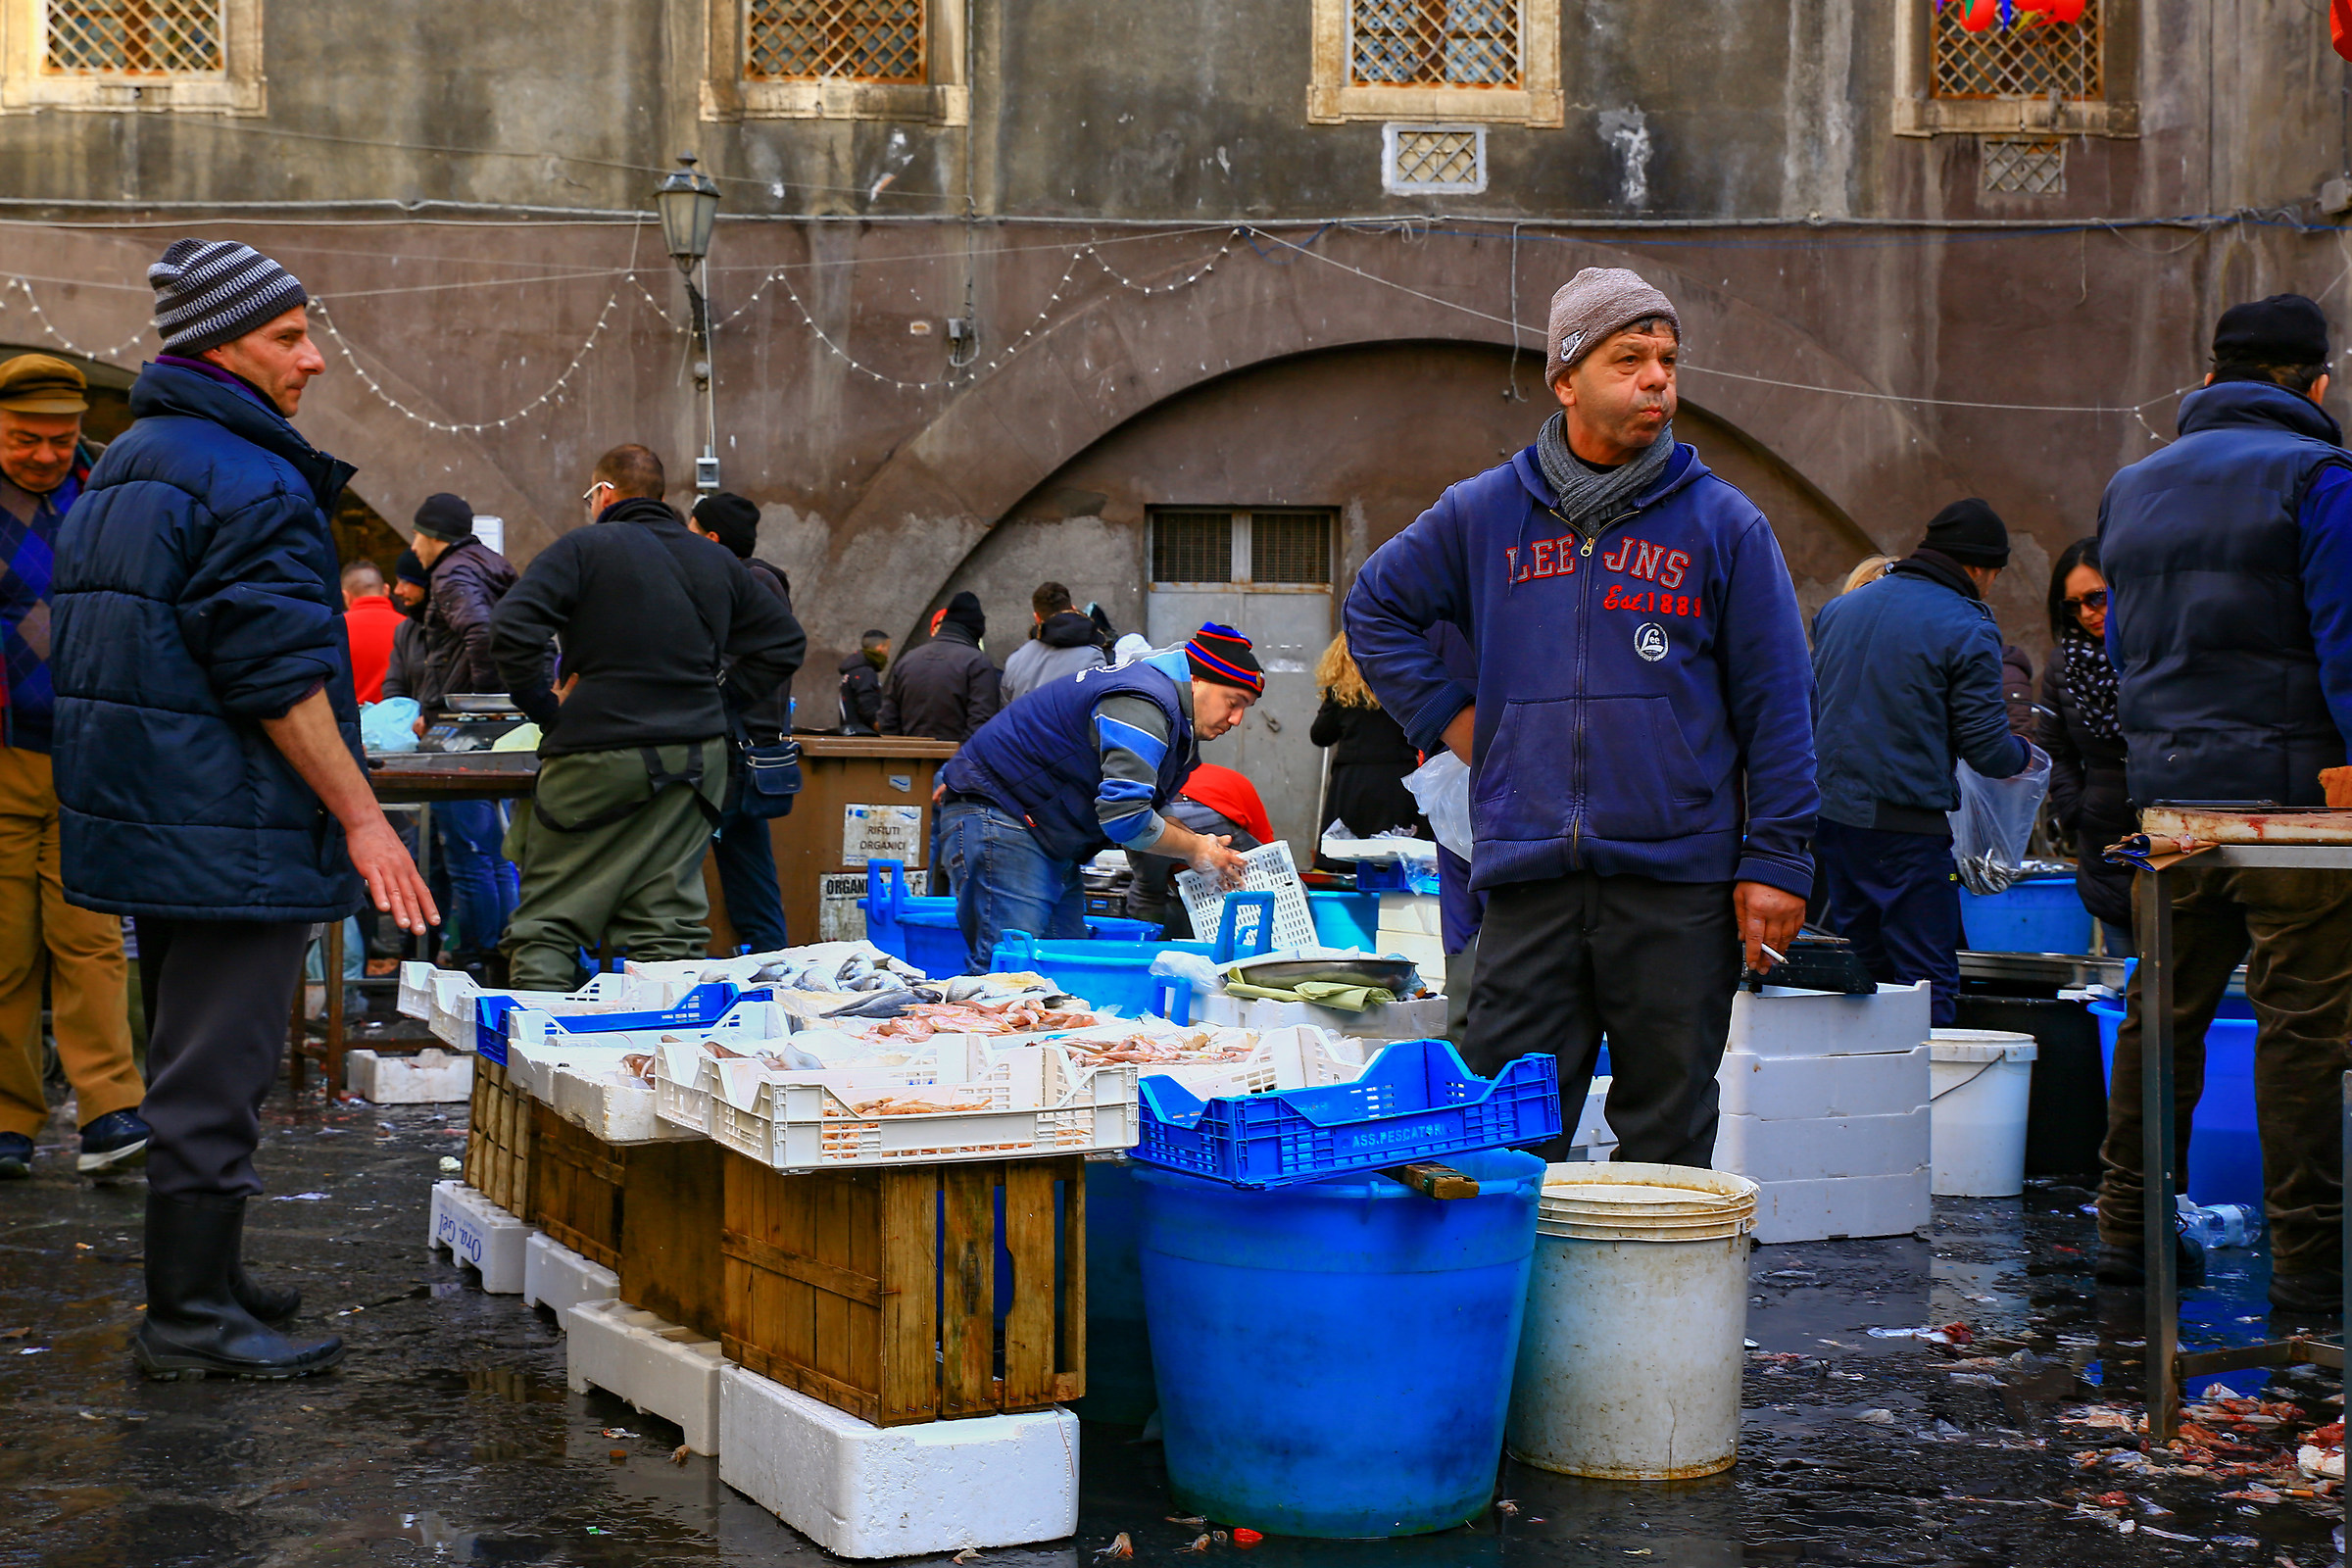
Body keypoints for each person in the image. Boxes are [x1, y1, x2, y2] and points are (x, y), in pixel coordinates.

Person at [53, 238, 437, 1378]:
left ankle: (210, 1281)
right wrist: (362, 815)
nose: (312, 358)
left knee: (188, 1054)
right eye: (286, 337)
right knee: (218, 1069)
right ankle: (186, 1320)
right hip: (228, 822)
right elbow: (273, 674)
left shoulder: (132, 459)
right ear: (220, 343)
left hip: (158, 813)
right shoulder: (247, 474)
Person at [1346, 267, 1815, 1169]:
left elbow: (1781, 706)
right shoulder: (1484, 513)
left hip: (1677, 882)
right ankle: (1520, 1313)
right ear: (1566, 380)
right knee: (1505, 1136)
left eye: (1668, 359)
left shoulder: (1725, 525)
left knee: (1667, 1135)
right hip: (1529, 878)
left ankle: (1646, 1314)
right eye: (1628, 358)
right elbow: (1376, 607)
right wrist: (1458, 721)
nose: (1657, 379)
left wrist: (1778, 863)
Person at [2093, 293, 2352, 1311]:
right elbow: (2345, 641)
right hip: (2292, 806)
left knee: (2163, 1017)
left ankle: (2126, 1235)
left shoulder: (2131, 486)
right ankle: (2310, 1267)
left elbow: (2123, 653)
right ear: (2316, 383)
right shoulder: (2320, 476)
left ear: (2214, 377)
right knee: (2303, 1029)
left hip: (2173, 804)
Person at [489, 445, 801, 990]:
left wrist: (545, 709)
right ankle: (660, 1065)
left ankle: (537, 1064)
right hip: (696, 759)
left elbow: (511, 628)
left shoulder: (585, 548)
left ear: (604, 493)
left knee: (552, 919)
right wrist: (720, 701)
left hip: (595, 749)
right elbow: (783, 643)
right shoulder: (716, 561)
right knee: (669, 926)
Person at [0, 353, 148, 1181]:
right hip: (3, 749)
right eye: (27, 440)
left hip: (89, 751)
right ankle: (8, 1120)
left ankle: (108, 1111)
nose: (47, 456)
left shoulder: (105, 493)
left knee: (90, 937)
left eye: (60, 440)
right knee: (4, 947)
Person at [1810, 502, 2034, 1026]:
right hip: (1905, 830)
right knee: (1925, 984)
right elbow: (1988, 750)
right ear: (1980, 568)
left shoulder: (1842, 611)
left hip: (1833, 824)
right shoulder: (1965, 624)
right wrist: (2025, 754)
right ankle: (1931, 1102)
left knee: (1860, 978)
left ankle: (1866, 1100)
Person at [935, 624, 1259, 971]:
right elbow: (1126, 818)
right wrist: (1196, 850)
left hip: (1044, 829)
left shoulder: (1176, 719)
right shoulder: (1143, 701)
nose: (1237, 719)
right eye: (1233, 702)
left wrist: (1196, 841)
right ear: (1197, 680)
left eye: (1246, 708)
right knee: (1013, 971)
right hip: (1003, 814)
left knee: (1063, 969)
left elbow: (1150, 805)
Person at [405, 494, 523, 972]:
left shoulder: (452, 572)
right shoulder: (492, 564)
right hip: (500, 727)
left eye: (416, 535)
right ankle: (501, 954)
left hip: (466, 731)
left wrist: (477, 708)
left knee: (468, 854)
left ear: (433, 536)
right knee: (497, 853)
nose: (413, 547)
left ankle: (478, 958)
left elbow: (481, 632)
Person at [687, 492, 807, 955]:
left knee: (681, 876)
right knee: (750, 877)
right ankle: (767, 968)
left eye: (693, 532)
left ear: (713, 539)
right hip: (746, 753)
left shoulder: (747, 582)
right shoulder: (759, 580)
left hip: (734, 755)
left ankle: (758, 964)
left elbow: (747, 666)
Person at [2035, 537, 2133, 956]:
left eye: (2096, 597)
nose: (2087, 613)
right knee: (2126, 981)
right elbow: (2053, 749)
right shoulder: (2064, 664)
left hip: (2172, 833)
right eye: (2073, 606)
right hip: (2105, 841)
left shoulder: (2158, 653)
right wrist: (2078, 809)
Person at [1124, 762, 1271, 938]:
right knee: (1266, 875)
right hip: (1206, 812)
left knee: (1148, 892)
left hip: (1144, 813)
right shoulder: (1233, 779)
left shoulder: (1158, 768)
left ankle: (1143, 947)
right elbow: (1265, 848)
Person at [1309, 632, 1424, 839]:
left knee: (1348, 854)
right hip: (1398, 780)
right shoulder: (1403, 687)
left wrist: (1330, 703)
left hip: (1352, 781)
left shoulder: (1339, 694)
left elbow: (1320, 736)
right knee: (1397, 852)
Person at [880, 591, 1000, 741]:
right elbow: (982, 723)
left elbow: (888, 718)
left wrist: (902, 756)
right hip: (955, 760)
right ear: (976, 629)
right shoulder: (977, 662)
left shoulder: (908, 660)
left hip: (910, 760)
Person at [1001, 581, 1107, 703]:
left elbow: (1006, 713)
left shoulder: (1015, 661)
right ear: (1073, 609)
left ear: (1037, 617)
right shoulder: (1093, 657)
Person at [340, 561, 401, 706]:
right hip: (403, 722)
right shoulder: (410, 628)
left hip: (351, 722)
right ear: (386, 590)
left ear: (346, 596)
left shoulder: (335, 629)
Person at [379, 549, 432, 703]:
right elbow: (394, 683)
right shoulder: (405, 631)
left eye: (405, 582)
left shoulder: (458, 627)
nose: (398, 591)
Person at [839, 629, 888, 734]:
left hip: (850, 731)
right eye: (887, 649)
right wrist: (879, 726)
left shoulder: (852, 671)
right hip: (863, 734)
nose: (887, 655)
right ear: (880, 648)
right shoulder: (865, 672)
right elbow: (867, 704)